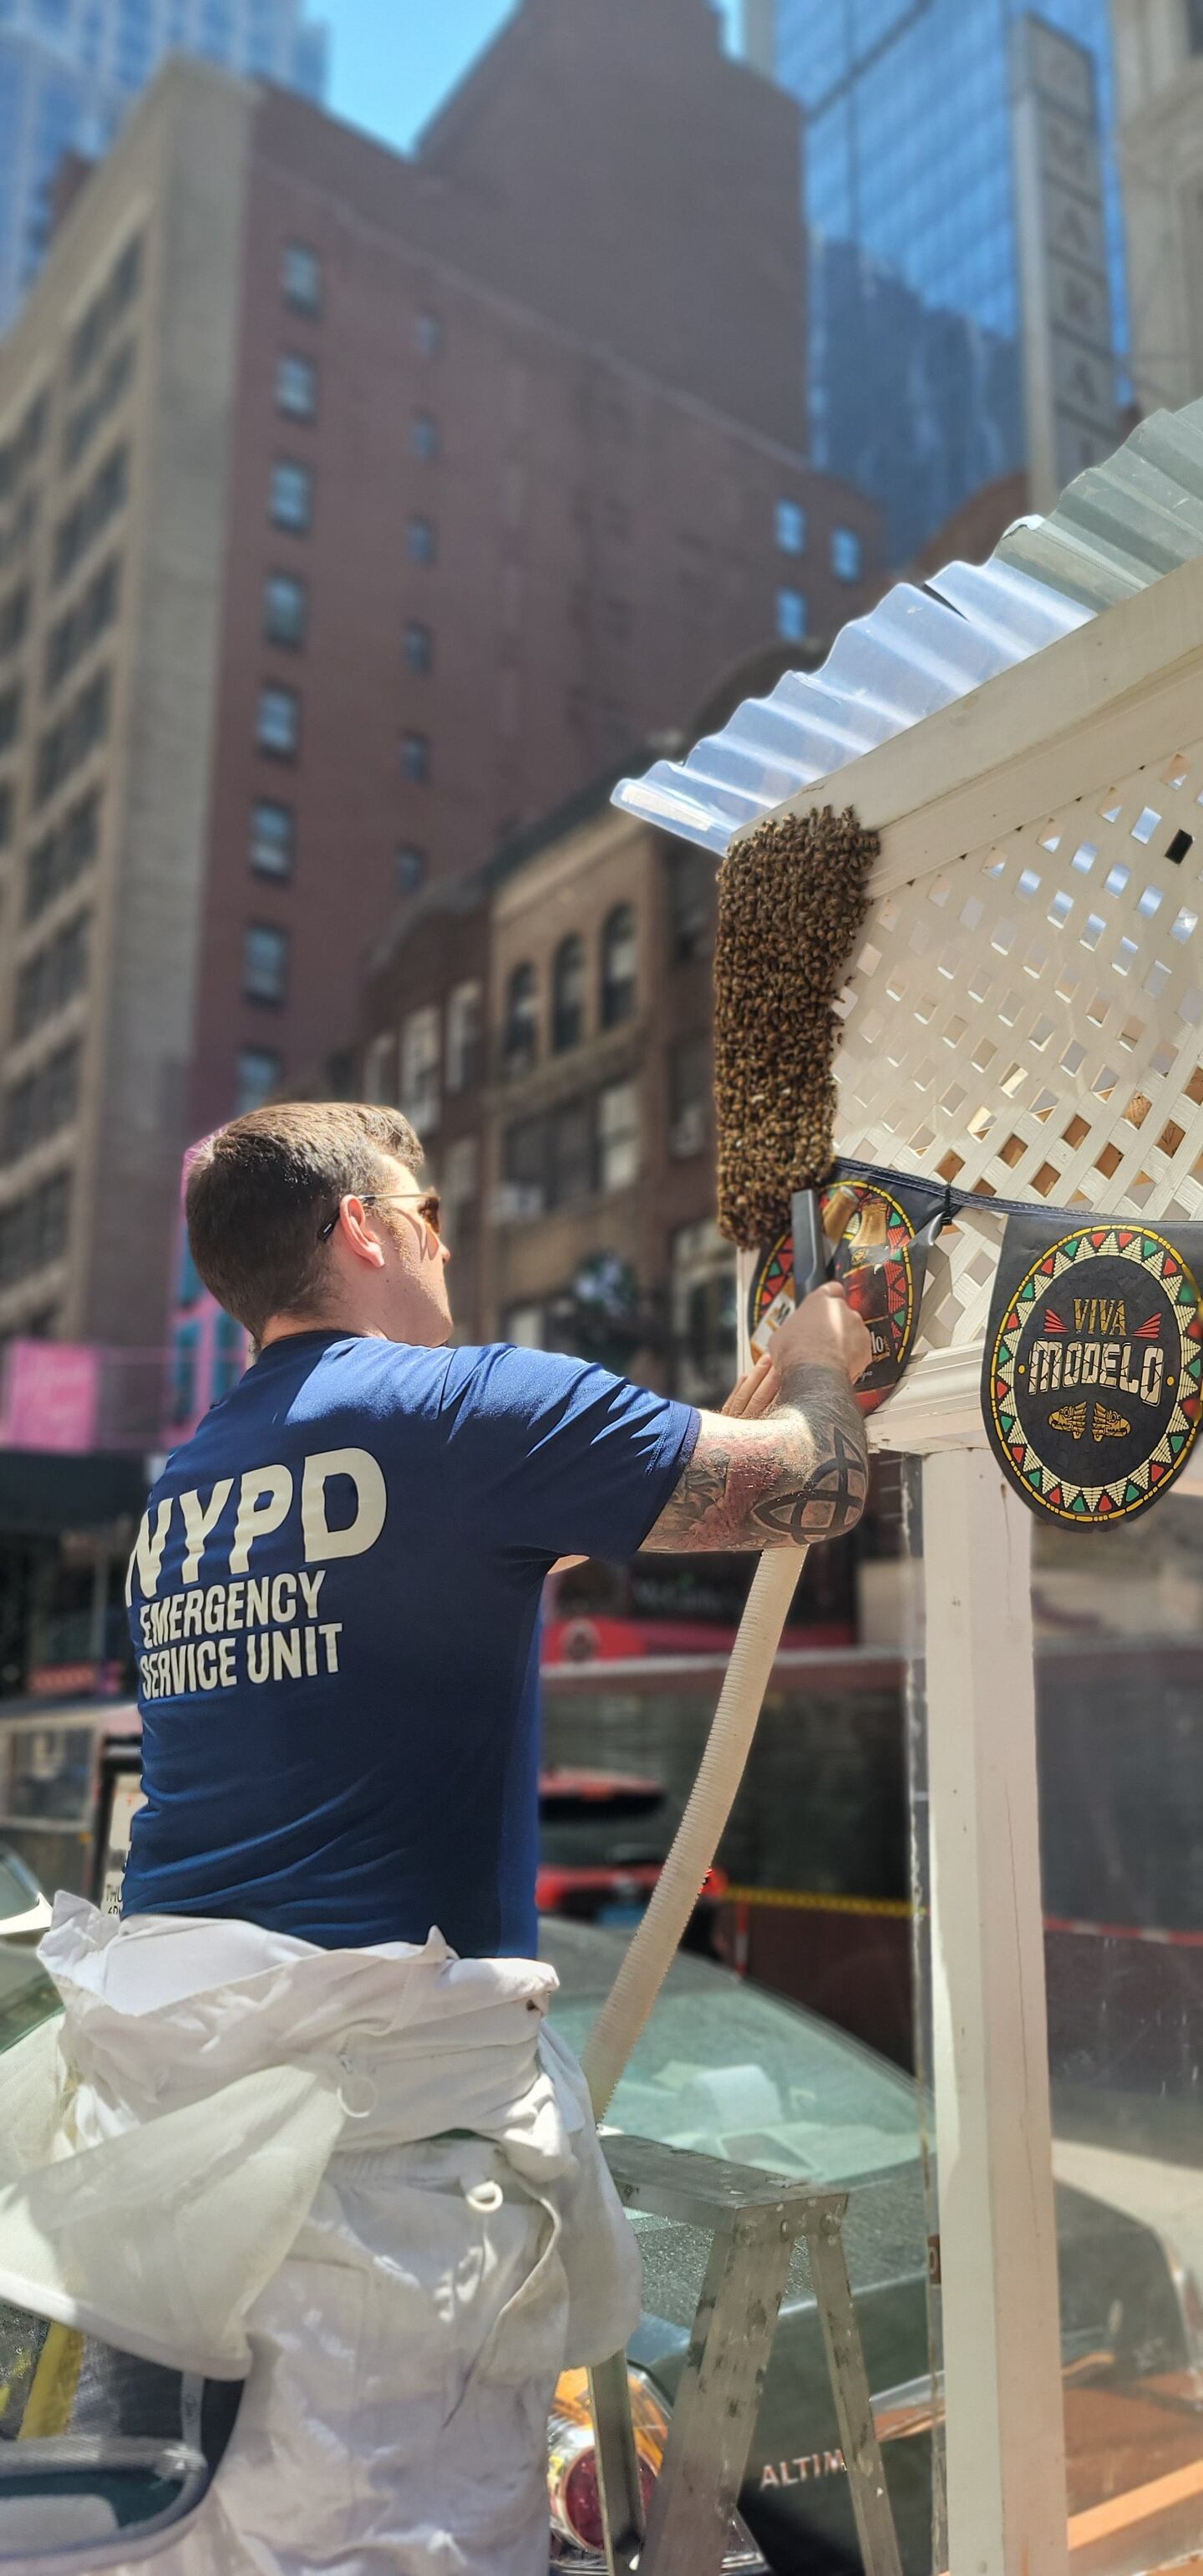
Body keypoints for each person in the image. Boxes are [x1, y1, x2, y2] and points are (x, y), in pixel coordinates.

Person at [29, 1102, 871, 2576]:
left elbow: (517, 1526)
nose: (442, 1241)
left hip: (173, 2174)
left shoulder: (188, 1488)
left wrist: (718, 1412)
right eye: (424, 1211)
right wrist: (827, 1357)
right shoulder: (473, 1413)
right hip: (381, 2224)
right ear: (359, 1228)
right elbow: (820, 1481)